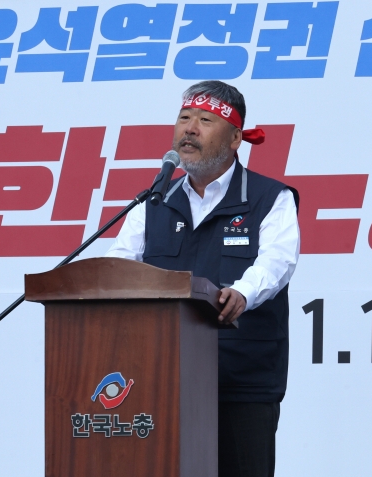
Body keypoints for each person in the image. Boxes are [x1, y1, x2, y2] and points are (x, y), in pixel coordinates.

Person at [105, 80, 300, 477]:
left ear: (234, 139)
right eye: (184, 118)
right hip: (161, 378)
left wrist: (243, 293)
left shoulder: (269, 197)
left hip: (241, 376)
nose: (189, 129)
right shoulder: (153, 202)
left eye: (205, 120)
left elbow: (277, 260)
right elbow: (118, 268)